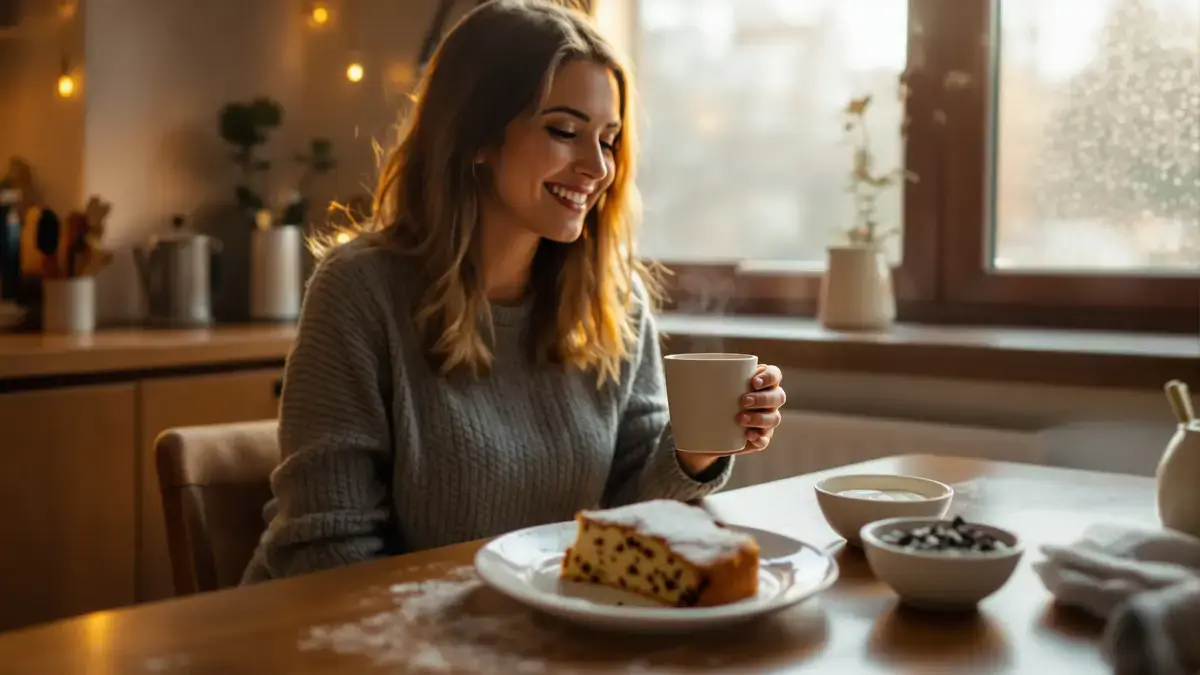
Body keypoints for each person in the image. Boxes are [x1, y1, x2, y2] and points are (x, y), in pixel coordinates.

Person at [241, 0, 787, 584]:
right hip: (352, 625)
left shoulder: (613, 301)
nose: (598, 167)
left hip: (522, 622)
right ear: (477, 136)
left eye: (608, 140)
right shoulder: (360, 291)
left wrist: (695, 452)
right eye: (564, 131)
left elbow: (632, 518)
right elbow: (329, 550)